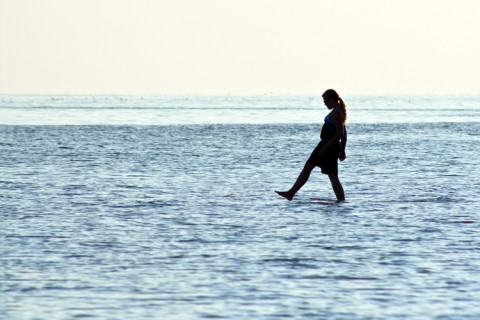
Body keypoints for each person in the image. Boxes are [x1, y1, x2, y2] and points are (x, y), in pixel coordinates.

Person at [275, 89, 348, 203]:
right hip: (327, 145)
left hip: (328, 146)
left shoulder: (336, 112)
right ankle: (291, 193)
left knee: (330, 175)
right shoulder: (337, 111)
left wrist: (326, 147)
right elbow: (343, 133)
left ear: (331, 99)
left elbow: (340, 134)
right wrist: (342, 149)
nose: (324, 103)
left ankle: (342, 200)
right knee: (311, 168)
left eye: (325, 101)